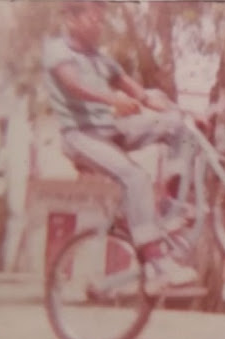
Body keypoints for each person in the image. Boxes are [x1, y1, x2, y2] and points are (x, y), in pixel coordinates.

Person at [42, 1, 208, 294]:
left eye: (101, 19)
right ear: (72, 20)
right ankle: (158, 265)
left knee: (178, 128)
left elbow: (139, 92)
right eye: (92, 18)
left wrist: (180, 112)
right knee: (137, 177)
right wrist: (111, 99)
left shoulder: (101, 59)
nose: (99, 25)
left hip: (110, 129)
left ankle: (171, 207)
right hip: (80, 137)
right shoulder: (57, 51)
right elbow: (73, 86)